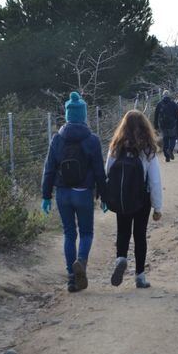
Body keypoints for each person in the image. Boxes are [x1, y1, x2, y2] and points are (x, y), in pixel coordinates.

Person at [41, 92, 106, 293]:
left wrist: (46, 196)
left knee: (69, 234)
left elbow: (49, 168)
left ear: (68, 115)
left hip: (63, 193)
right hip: (83, 192)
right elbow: (98, 170)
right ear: (83, 115)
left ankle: (71, 278)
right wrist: (104, 195)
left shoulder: (57, 139)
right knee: (86, 232)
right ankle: (82, 263)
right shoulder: (92, 140)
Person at [105, 110, 163, 288]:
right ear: (145, 127)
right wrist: (157, 207)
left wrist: (108, 197)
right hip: (141, 198)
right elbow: (154, 180)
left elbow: (108, 172)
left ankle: (121, 258)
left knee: (122, 231)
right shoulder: (147, 148)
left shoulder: (116, 146)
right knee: (140, 235)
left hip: (122, 197)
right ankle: (140, 276)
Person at [154, 90, 178, 162]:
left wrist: (155, 125)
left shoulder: (159, 104)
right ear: (169, 95)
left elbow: (156, 115)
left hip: (162, 124)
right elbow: (177, 115)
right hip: (172, 124)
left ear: (163, 95)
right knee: (173, 138)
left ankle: (167, 157)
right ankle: (170, 149)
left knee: (165, 139)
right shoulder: (173, 104)